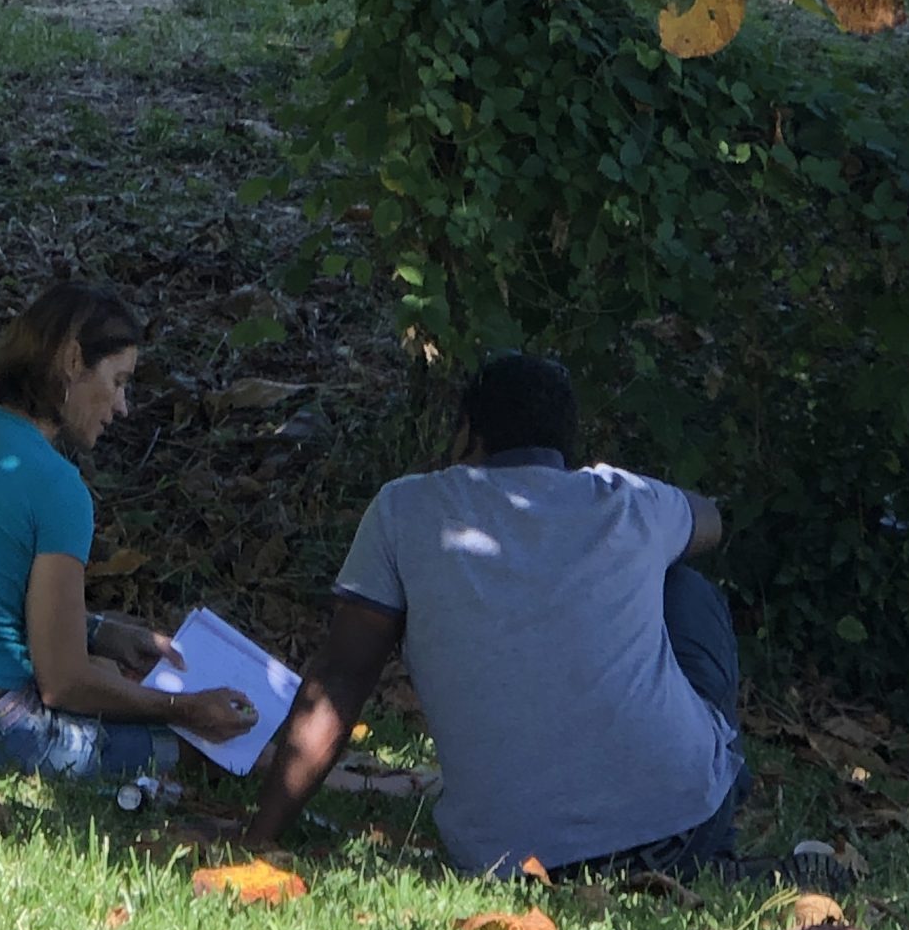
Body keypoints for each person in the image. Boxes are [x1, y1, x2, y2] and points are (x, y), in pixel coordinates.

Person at [249, 351, 753, 877]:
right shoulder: (626, 500)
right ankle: (713, 820)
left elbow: (341, 677)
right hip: (681, 831)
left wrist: (260, 835)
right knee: (683, 583)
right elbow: (711, 521)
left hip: (508, 860)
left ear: (467, 432)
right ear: (565, 446)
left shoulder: (404, 509)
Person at [0, 278, 258, 780]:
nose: (123, 406)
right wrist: (184, 709)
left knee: (113, 678)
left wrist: (101, 634)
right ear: (71, 361)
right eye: (118, 381)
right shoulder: (59, 487)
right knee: (192, 749)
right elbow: (63, 683)